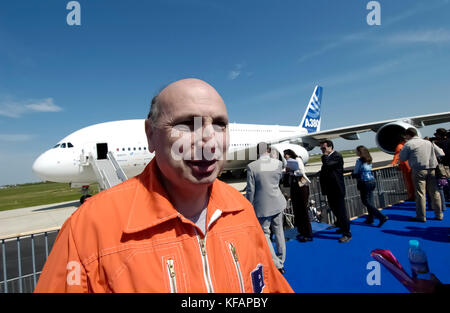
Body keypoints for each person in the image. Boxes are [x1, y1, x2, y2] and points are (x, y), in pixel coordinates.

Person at [34, 78, 293, 293]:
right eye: (185, 124)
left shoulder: (241, 209)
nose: (209, 140)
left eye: (219, 124)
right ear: (150, 135)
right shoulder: (86, 230)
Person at [246, 143, 287, 274]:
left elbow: (250, 190)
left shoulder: (252, 167)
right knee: (279, 231)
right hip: (278, 202)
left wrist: (249, 205)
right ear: (269, 151)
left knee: (265, 234)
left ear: (257, 151)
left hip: (262, 206)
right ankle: (281, 260)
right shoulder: (278, 164)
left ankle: (276, 263)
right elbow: (277, 181)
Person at [399, 128, 444, 222]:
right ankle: (439, 214)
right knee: (435, 192)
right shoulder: (428, 142)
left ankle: (421, 216)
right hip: (431, 169)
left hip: (418, 170)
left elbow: (402, 158)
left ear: (408, 135)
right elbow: (441, 153)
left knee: (420, 194)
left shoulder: (409, 144)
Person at [319, 140, 352, 243]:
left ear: (330, 147)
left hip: (337, 188)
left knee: (341, 211)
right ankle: (341, 227)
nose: (322, 151)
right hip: (329, 188)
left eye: (324, 148)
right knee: (334, 209)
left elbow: (328, 165)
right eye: (321, 149)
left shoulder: (337, 156)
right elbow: (325, 169)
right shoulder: (327, 158)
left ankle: (347, 233)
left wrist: (324, 156)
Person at [353, 145, 388, 227]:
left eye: (357, 151)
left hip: (364, 182)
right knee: (370, 201)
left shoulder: (359, 161)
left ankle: (381, 216)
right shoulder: (369, 159)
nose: (356, 153)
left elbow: (356, 172)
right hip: (372, 180)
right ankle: (370, 218)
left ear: (360, 152)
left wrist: (354, 174)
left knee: (365, 201)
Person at [283, 149, 313, 242]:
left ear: (289, 154)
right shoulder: (288, 162)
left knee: (303, 211)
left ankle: (308, 233)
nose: (285, 157)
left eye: (286, 155)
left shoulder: (297, 159)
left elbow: (301, 171)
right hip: (294, 187)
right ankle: (301, 231)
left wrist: (291, 171)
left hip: (301, 187)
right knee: (297, 210)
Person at [392, 134, 415, 201]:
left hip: (410, 166)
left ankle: (413, 196)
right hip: (408, 167)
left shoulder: (405, 145)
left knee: (411, 183)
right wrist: (393, 163)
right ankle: (412, 196)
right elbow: (397, 155)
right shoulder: (401, 146)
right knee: (410, 183)